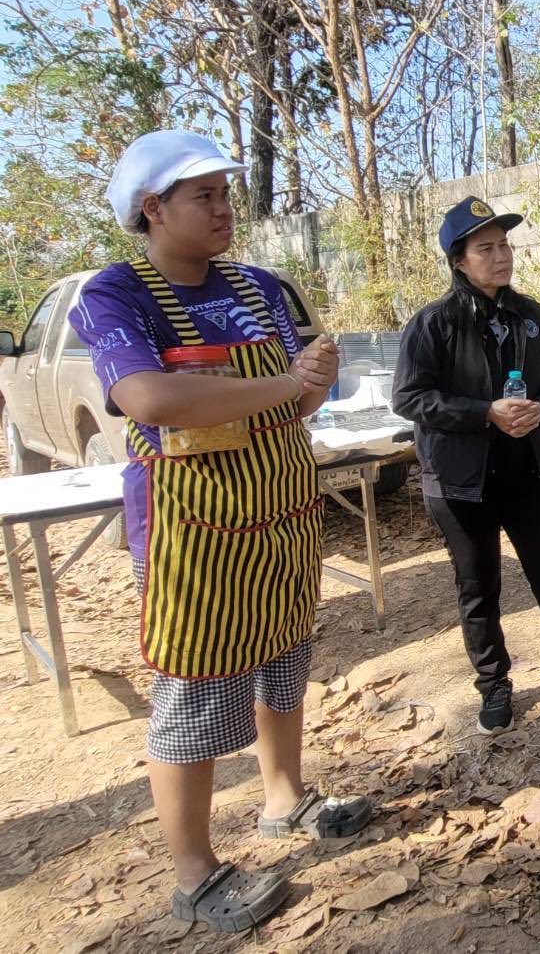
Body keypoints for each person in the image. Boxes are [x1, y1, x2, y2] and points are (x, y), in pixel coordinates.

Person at [68, 130, 372, 933]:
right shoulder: (113, 297)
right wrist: (282, 381)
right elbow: (150, 399)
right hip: (192, 529)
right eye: (202, 195)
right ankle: (196, 875)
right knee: (196, 690)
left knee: (283, 657)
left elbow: (295, 406)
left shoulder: (260, 287)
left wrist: (316, 383)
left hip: (280, 512)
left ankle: (285, 798)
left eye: (225, 194)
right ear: (151, 207)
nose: (223, 209)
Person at [392, 197, 540, 736]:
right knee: (479, 588)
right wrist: (483, 413)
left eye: (504, 246)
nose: (501, 257)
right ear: (458, 260)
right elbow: (409, 399)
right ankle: (494, 688)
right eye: (485, 248)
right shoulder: (433, 324)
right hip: (460, 484)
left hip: (528, 475)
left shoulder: (530, 316)